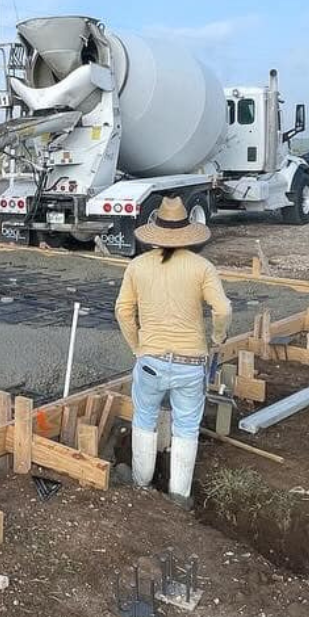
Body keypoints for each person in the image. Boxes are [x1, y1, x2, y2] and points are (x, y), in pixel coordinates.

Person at [113, 196, 231, 508]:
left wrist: (138, 347)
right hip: (191, 363)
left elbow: (123, 312)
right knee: (187, 426)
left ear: (156, 233)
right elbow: (222, 309)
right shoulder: (202, 267)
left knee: (145, 418)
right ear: (187, 234)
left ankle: (141, 483)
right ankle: (180, 497)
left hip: (150, 361)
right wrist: (217, 338)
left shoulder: (137, 267)